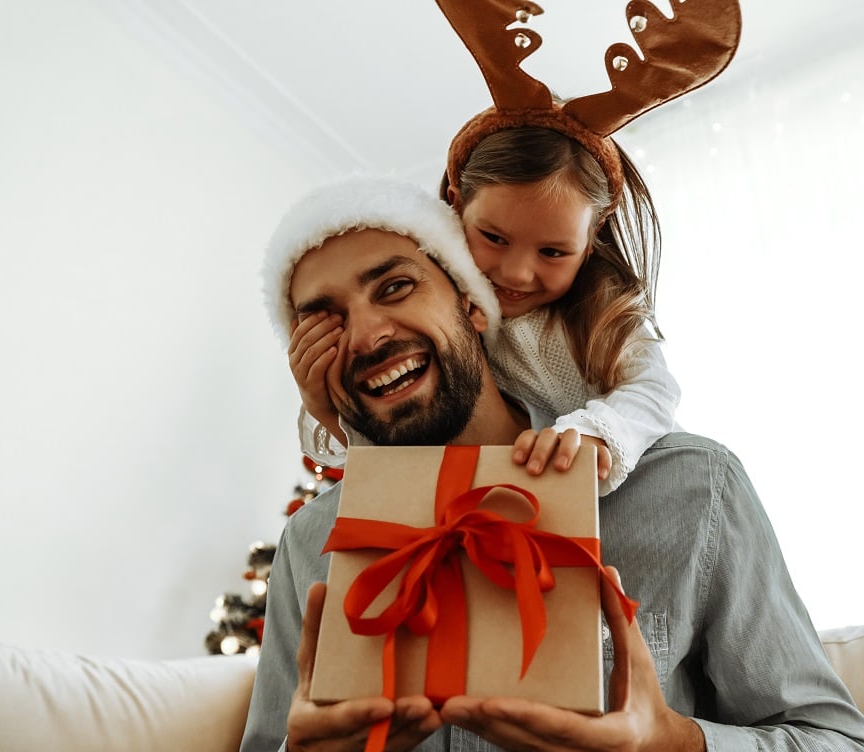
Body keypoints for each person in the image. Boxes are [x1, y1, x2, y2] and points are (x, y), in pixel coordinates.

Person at [241, 174, 864, 752]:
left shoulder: (691, 488)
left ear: (472, 300)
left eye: (397, 287)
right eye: (322, 322)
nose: (366, 336)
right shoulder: (313, 541)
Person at [288, 125, 681, 497]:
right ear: (456, 206)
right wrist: (323, 407)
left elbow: (654, 390)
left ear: (591, 239)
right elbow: (394, 440)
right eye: (494, 238)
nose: (516, 273)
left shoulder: (604, 316)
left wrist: (599, 433)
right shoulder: (448, 322)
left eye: (552, 252)